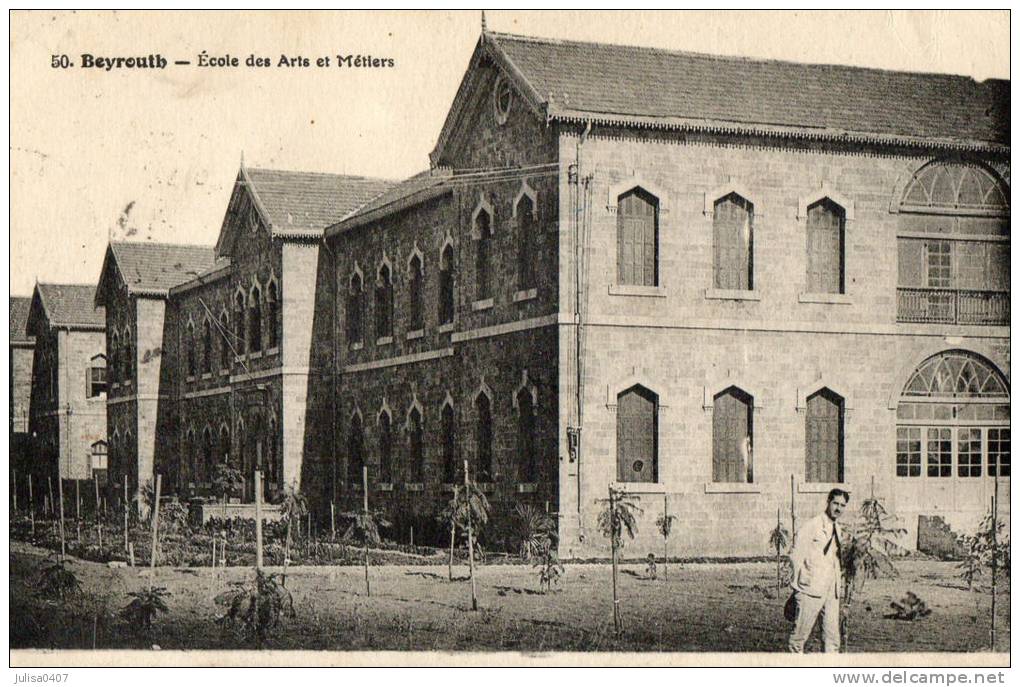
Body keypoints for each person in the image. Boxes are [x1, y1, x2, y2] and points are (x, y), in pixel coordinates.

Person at [788, 488, 849, 653]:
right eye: (835, 503)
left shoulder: (838, 528)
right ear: (828, 502)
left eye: (842, 505)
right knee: (798, 639)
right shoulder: (813, 525)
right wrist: (798, 588)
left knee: (832, 640)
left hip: (831, 591)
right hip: (810, 589)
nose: (838, 508)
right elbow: (795, 555)